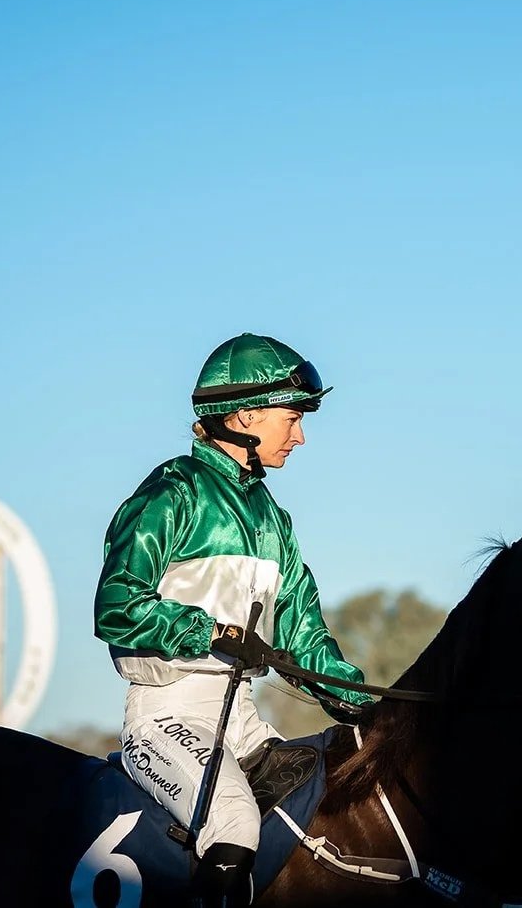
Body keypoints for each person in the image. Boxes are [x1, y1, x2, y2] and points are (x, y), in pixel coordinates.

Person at [94, 332, 372, 908]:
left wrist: (358, 697)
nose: (300, 435)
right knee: (236, 823)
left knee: (325, 803)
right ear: (246, 416)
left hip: (240, 718)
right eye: (291, 417)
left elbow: (302, 636)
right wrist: (211, 633)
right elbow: (117, 605)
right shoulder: (172, 495)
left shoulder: (274, 519)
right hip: (164, 719)